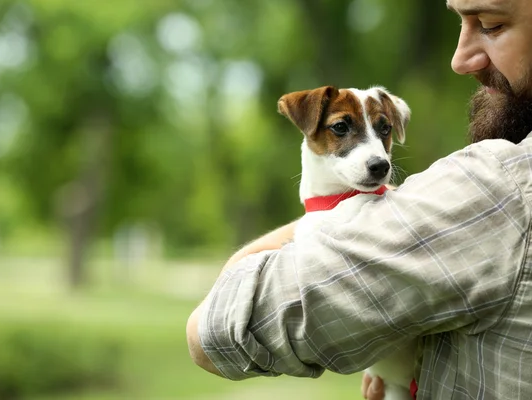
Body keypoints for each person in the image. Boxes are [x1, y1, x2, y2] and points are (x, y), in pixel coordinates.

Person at [186, 0, 532, 398]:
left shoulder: (501, 188)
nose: (460, 59)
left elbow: (210, 332)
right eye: (341, 129)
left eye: (490, 24)